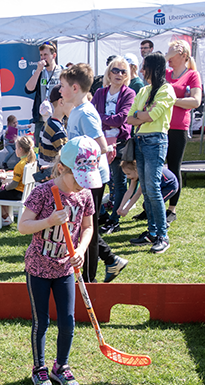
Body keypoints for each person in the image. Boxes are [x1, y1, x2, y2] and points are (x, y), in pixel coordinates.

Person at [18, 136, 99, 385]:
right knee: (41, 321)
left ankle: (61, 367)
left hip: (66, 268)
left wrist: (82, 250)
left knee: (68, 320)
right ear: (63, 168)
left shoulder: (84, 195)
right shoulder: (43, 192)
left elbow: (88, 227)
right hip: (39, 268)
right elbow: (23, 226)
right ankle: (39, 368)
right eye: (77, 179)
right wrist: (49, 221)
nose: (80, 186)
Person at [60, 63, 128, 284]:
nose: (60, 90)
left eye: (63, 86)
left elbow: (99, 145)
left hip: (91, 178)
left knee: (85, 227)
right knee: (83, 226)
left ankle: (89, 280)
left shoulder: (86, 113)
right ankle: (109, 262)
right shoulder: (78, 111)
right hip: (81, 176)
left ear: (76, 88)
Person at [126, 52, 176, 254]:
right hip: (141, 140)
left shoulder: (166, 90)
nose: (142, 70)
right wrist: (142, 115)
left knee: (153, 188)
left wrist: (142, 115)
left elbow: (153, 115)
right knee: (146, 188)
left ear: (154, 68)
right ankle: (152, 232)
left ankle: (162, 236)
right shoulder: (144, 90)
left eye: (145, 66)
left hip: (156, 141)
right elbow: (131, 117)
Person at [92, 56, 136, 235]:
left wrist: (103, 118)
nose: (119, 74)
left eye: (123, 71)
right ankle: (101, 214)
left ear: (127, 75)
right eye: (115, 70)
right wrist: (106, 120)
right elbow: (93, 117)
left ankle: (114, 219)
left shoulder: (129, 93)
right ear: (108, 73)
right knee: (99, 181)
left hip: (120, 143)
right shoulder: (100, 93)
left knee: (118, 182)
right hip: (100, 143)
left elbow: (121, 119)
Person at [164, 40, 202, 224]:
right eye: (168, 56)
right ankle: (154, 205)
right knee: (155, 167)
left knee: (174, 165)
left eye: (172, 55)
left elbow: (195, 101)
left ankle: (172, 208)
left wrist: (172, 100)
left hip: (178, 127)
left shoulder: (192, 75)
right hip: (161, 126)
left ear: (183, 56)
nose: (169, 59)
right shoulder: (166, 74)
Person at [0, 135, 36, 230]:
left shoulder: (20, 165)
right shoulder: (31, 162)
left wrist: (6, 187)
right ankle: (6, 216)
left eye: (16, 148)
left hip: (17, 193)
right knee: (1, 194)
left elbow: (14, 184)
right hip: (25, 193)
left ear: (20, 149)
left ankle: (4, 217)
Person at [25, 41, 63, 147]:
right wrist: (38, 71)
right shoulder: (39, 73)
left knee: (58, 145)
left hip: (58, 116)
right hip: (42, 118)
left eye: (45, 55)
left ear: (53, 55)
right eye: (41, 55)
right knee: (40, 147)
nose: (43, 58)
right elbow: (28, 89)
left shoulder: (62, 72)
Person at [115, 159, 179, 224]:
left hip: (169, 186)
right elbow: (129, 191)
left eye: (128, 174)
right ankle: (150, 216)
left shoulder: (145, 174)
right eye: (126, 174)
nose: (127, 176)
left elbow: (138, 193)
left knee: (154, 204)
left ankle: (161, 223)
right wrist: (121, 207)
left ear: (136, 170)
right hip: (160, 185)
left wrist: (126, 209)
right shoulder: (135, 174)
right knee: (147, 205)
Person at [35, 85, 71, 181]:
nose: (74, 105)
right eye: (71, 101)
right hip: (53, 181)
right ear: (61, 102)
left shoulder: (49, 123)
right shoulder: (57, 129)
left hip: (46, 180)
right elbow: (68, 158)